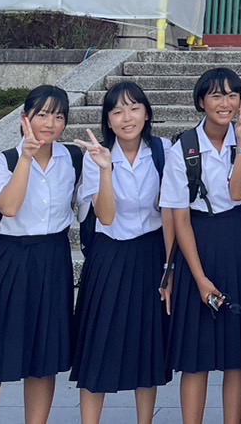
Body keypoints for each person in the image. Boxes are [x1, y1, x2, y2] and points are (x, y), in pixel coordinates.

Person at [0, 85, 85, 424]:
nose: (50, 122)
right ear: (25, 118)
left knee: (45, 358)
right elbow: (9, 207)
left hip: (53, 258)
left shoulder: (72, 159)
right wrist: (27, 158)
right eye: (42, 114)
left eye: (58, 116)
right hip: (10, 260)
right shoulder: (5, 161)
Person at [160, 68, 241, 424]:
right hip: (198, 240)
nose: (226, 103)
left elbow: (239, 192)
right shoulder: (183, 147)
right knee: (196, 352)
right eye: (217, 95)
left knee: (237, 352)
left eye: (233, 95)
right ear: (201, 101)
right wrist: (195, 276)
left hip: (240, 239)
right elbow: (179, 218)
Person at [71, 82, 171, 424]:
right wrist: (104, 169)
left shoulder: (164, 151)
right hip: (109, 256)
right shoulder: (96, 157)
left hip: (150, 253)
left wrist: (171, 268)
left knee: (147, 344)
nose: (126, 117)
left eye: (133, 108)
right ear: (108, 121)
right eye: (117, 111)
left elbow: (171, 211)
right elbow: (107, 216)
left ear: (146, 112)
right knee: (98, 342)